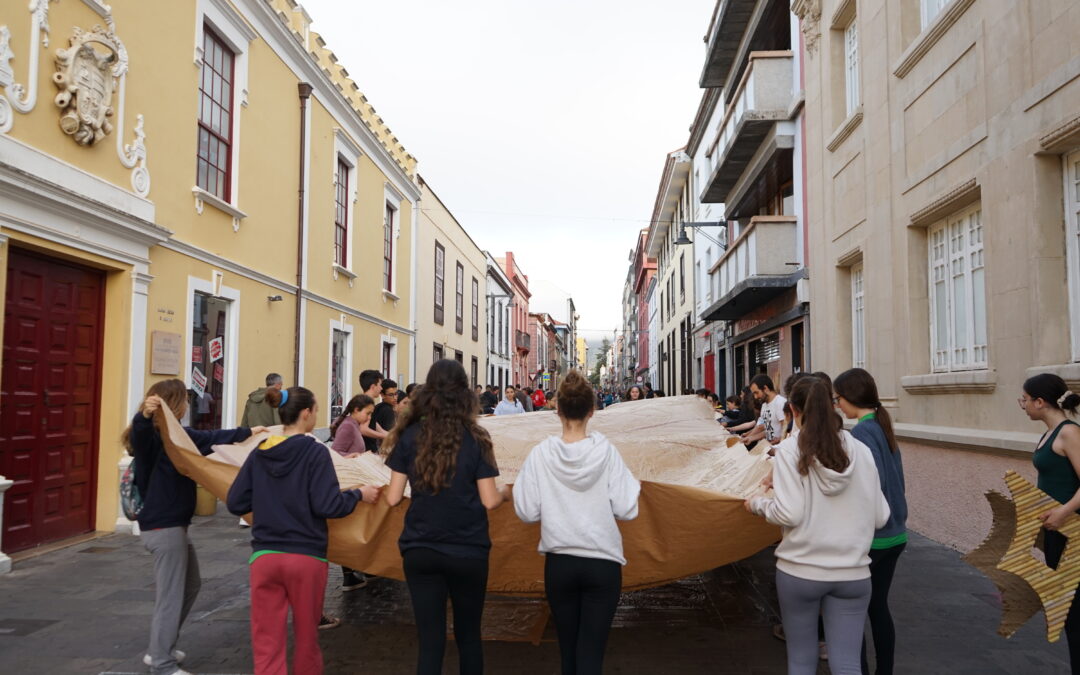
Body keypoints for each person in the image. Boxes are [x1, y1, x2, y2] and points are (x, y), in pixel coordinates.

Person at [226, 387, 380, 675]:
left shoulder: (260, 451)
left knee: (266, 639)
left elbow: (236, 501)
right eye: (317, 410)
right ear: (306, 413)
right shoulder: (315, 452)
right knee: (307, 639)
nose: (316, 415)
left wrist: (268, 501)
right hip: (306, 557)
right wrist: (359, 494)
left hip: (265, 556)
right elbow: (328, 504)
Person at [745, 376, 890, 675]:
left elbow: (789, 513)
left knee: (801, 660)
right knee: (848, 664)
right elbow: (880, 517)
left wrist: (756, 502)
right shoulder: (860, 450)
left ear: (793, 411)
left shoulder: (789, 451)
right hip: (853, 573)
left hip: (801, 570)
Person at [121, 379, 261, 675]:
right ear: (175, 404)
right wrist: (144, 415)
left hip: (174, 526)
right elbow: (141, 433)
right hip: (163, 527)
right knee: (171, 595)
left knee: (190, 585)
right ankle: (161, 662)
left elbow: (212, 437)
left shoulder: (177, 437)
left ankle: (162, 647)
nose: (188, 405)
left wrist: (250, 431)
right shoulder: (154, 438)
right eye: (184, 400)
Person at [384, 359, 506, 675]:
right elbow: (490, 501)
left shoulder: (409, 436)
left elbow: (393, 497)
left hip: (420, 549)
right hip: (468, 550)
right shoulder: (477, 437)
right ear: (465, 393)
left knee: (430, 641)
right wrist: (508, 493)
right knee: (469, 637)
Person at [513, 370, 640, 674]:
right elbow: (627, 509)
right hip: (602, 562)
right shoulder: (607, 453)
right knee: (591, 653)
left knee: (567, 650)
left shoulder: (540, 454)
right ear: (592, 410)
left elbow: (527, 512)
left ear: (557, 409)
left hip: (560, 563)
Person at [834, 368, 908, 675]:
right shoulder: (880, 424)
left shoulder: (862, 432)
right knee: (878, 608)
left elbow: (867, 485)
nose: (838, 405)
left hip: (875, 537)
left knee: (851, 613)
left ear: (851, 397)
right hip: (896, 534)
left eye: (839, 398)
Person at [1022, 373, 1080, 672]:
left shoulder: (1069, 433)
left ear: (1040, 402)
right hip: (1057, 534)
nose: (1023, 405)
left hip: (1075, 535)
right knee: (1068, 608)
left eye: (1025, 399)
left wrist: (1063, 512)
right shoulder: (1048, 433)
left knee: (1075, 609)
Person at [731, 375, 787, 445]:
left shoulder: (780, 403)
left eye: (756, 392)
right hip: (770, 450)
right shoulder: (764, 405)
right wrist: (750, 438)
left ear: (765, 388)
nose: (755, 397)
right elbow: (767, 430)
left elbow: (787, 430)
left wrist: (779, 440)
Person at [365, 379, 399, 452]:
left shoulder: (377, 407)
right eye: (391, 395)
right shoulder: (388, 410)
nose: (395, 398)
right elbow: (388, 435)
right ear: (382, 395)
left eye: (396, 394)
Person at [357, 369, 388, 449]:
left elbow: (374, 424)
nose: (381, 388)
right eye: (380, 385)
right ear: (373, 387)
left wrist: (393, 435)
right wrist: (383, 436)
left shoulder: (365, 401)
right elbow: (363, 429)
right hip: (365, 449)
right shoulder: (367, 403)